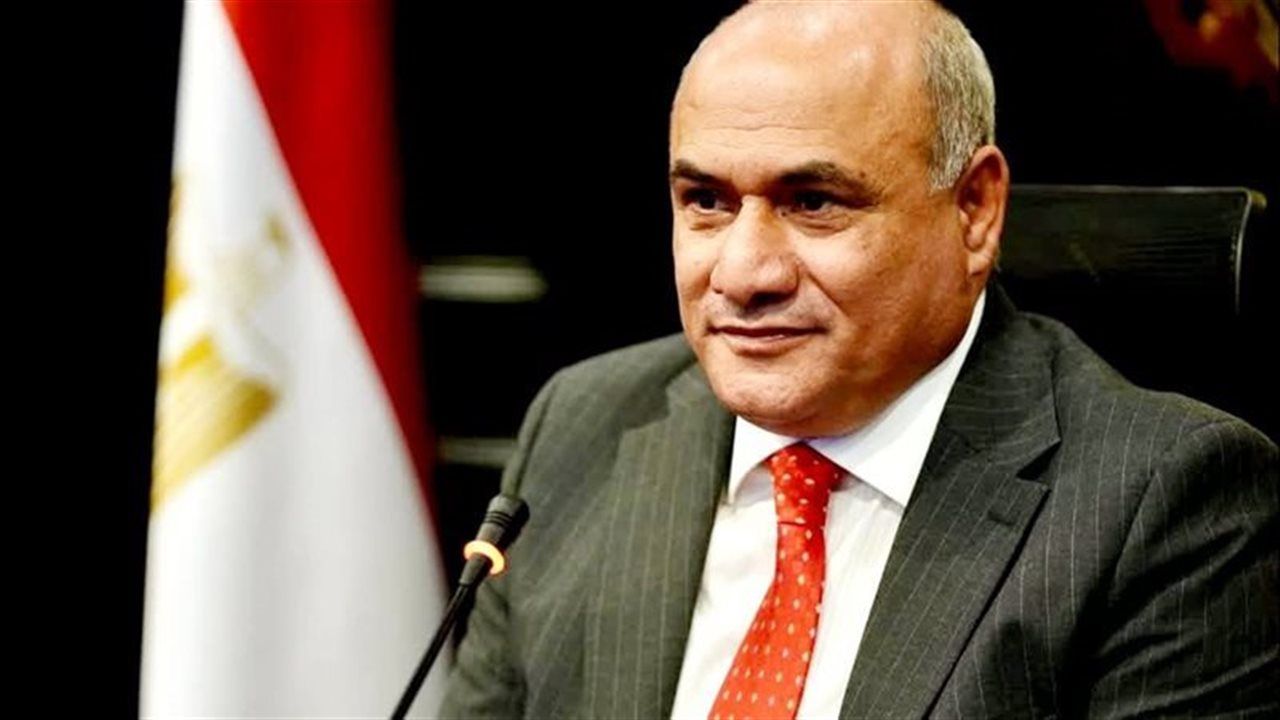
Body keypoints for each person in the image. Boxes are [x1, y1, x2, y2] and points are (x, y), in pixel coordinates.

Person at [439, 2, 1278, 718]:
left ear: (975, 211)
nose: (743, 273)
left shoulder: (1169, 507)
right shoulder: (583, 423)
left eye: (813, 202)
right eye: (706, 201)